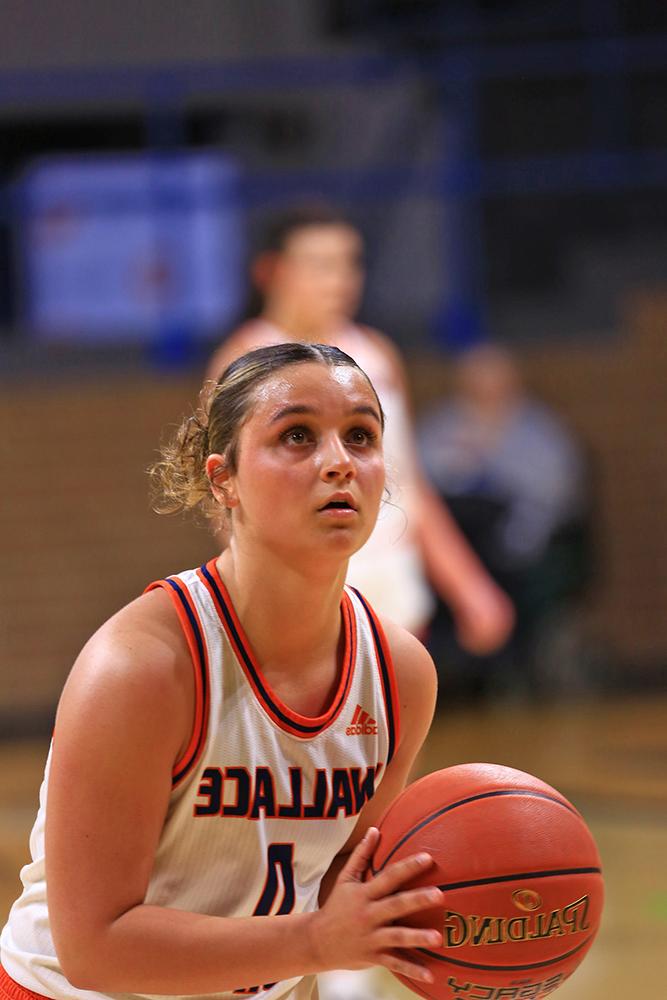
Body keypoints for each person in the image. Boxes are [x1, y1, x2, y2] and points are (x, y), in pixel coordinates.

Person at [0, 343, 445, 1000]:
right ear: (222, 478)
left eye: (360, 436)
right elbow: (94, 947)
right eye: (297, 436)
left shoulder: (399, 674)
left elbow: (335, 889)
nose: (337, 463)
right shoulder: (141, 668)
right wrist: (318, 941)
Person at [206, 206, 514, 655]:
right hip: (302, 599)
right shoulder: (243, 363)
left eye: (350, 263)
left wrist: (468, 585)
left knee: (392, 725)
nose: (341, 279)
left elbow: (408, 482)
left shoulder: (377, 355)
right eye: (322, 265)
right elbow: (227, 504)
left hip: (391, 587)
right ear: (270, 271)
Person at [419, 342, 591, 697]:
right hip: (459, 545)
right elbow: (417, 482)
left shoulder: (540, 433)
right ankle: (453, 671)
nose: (484, 392)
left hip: (516, 543)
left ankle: (505, 668)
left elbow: (553, 495)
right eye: (474, 384)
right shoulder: (441, 426)